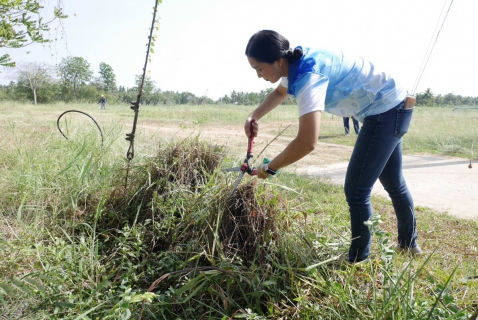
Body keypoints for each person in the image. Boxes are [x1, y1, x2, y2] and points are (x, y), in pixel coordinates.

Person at [243, 30, 420, 263]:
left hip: (385, 109)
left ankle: (358, 260)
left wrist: (271, 168)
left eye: (259, 69)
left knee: (357, 191)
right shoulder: (293, 62)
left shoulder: (309, 77)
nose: (258, 76)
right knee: (393, 182)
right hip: (390, 103)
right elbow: (280, 92)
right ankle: (409, 245)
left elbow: (307, 142)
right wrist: (253, 116)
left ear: (278, 61)